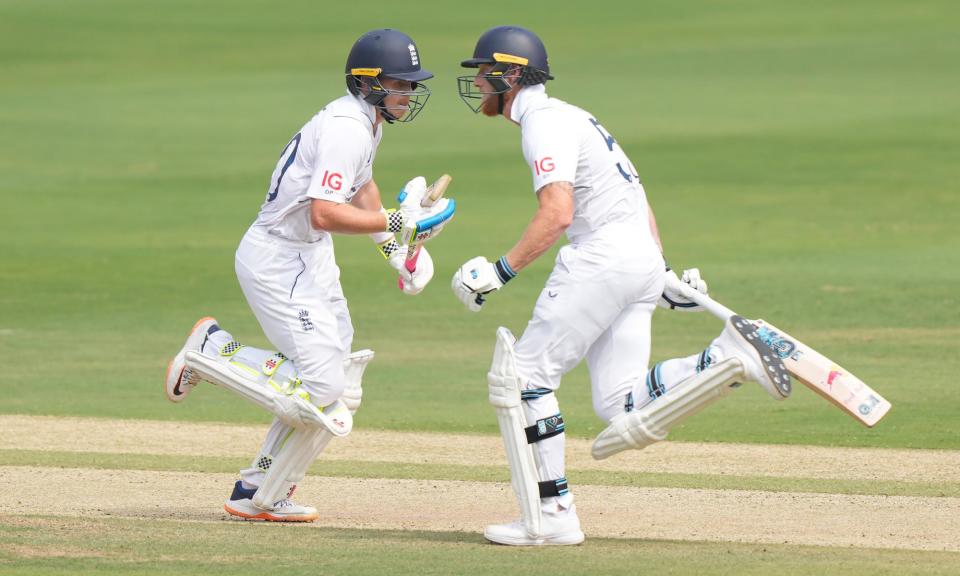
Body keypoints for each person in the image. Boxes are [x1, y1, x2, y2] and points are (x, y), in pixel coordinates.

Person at [451, 25, 790, 546]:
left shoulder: (542, 122)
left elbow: (558, 213)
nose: (478, 85)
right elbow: (637, 193)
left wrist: (499, 272)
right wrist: (659, 271)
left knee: (525, 379)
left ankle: (551, 517)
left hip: (602, 259)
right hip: (637, 258)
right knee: (621, 405)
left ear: (510, 75)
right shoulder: (575, 115)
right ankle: (725, 360)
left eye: (483, 75)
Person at [164, 29, 455, 522]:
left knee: (337, 385)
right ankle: (211, 351)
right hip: (277, 258)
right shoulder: (347, 126)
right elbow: (323, 212)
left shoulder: (366, 122)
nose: (408, 94)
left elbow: (361, 190)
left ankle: (257, 489)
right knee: (320, 386)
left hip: (309, 257)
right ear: (367, 83)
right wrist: (399, 222)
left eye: (410, 84)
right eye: (399, 84)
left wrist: (391, 251)